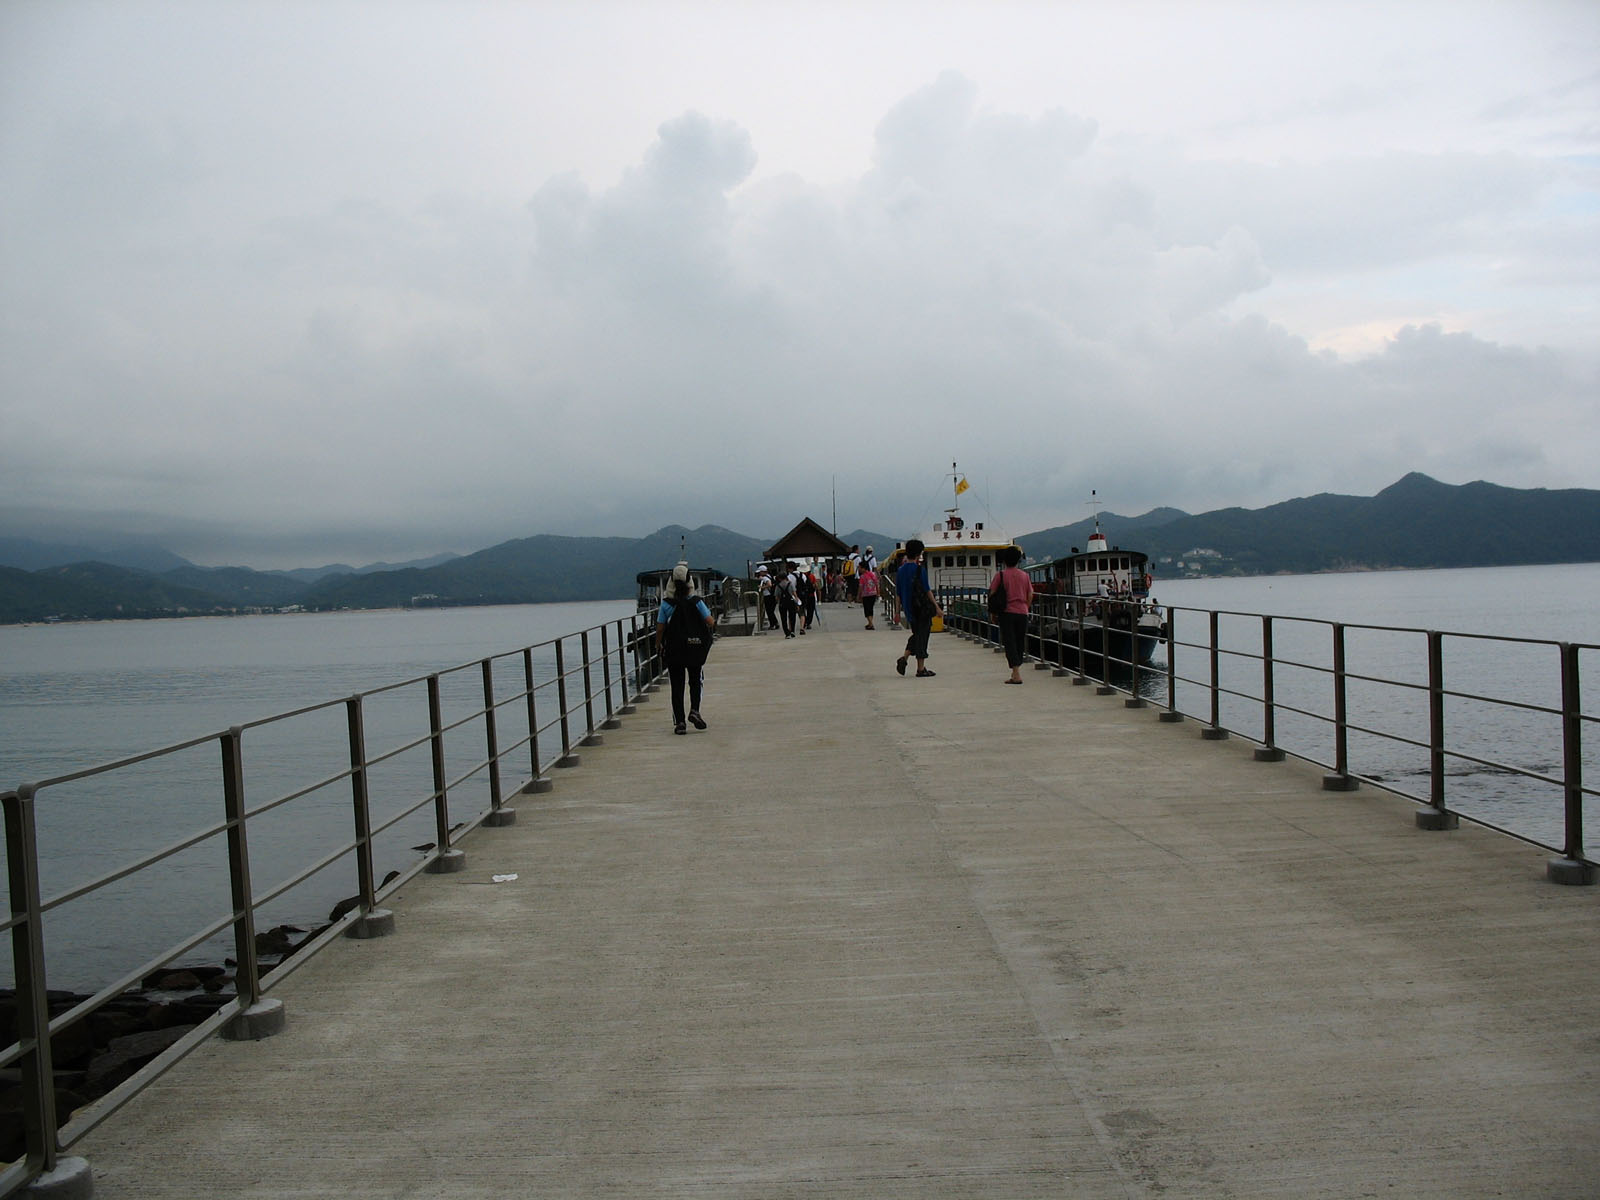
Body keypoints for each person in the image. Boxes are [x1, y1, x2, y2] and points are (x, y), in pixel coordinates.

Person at [656, 563, 715, 734]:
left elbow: (660, 628)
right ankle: (695, 711)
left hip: (674, 649)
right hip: (694, 648)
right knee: (695, 680)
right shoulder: (697, 602)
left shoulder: (667, 604)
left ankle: (680, 722)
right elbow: (710, 621)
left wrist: (658, 644)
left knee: (677, 685)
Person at [895, 539, 941, 677]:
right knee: (922, 637)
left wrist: (897, 612)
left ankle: (905, 658)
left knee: (917, 635)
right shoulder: (920, 570)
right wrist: (937, 607)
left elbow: (898, 593)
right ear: (918, 553)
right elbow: (927, 591)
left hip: (909, 609)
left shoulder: (900, 570)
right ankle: (920, 669)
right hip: (922, 609)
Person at [989, 545, 1034, 684]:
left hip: (1007, 613)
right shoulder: (1024, 575)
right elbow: (1030, 593)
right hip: (1022, 612)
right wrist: (1026, 606)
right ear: (1018, 560)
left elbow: (992, 593)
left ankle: (1016, 673)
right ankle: (1016, 670)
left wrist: (993, 613)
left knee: (1010, 642)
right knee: (1020, 641)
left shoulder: (1000, 575)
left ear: (1004, 560)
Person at [777, 564, 800, 638]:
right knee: (792, 616)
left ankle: (787, 633)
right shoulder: (790, 584)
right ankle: (792, 631)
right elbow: (794, 593)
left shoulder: (778, 586)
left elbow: (777, 597)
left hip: (782, 603)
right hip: (791, 601)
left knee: (783, 618)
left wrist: (778, 602)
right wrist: (797, 602)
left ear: (780, 578)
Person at [858, 556, 880, 629]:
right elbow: (877, 584)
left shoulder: (862, 577)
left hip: (866, 595)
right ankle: (870, 623)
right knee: (870, 608)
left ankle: (871, 623)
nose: (859, 569)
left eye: (860, 567)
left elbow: (861, 587)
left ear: (864, 568)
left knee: (867, 609)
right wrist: (878, 592)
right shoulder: (873, 574)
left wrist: (859, 595)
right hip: (873, 593)